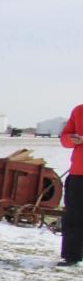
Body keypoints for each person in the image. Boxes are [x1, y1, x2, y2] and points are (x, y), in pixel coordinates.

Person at [59, 104, 83, 266]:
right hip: (78, 173)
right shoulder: (79, 111)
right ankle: (72, 256)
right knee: (74, 217)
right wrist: (71, 139)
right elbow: (64, 138)